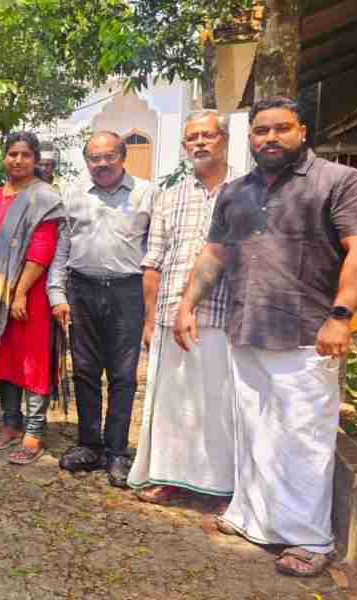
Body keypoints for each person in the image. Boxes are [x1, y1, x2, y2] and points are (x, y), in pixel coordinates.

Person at [176, 97, 357, 577]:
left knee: (304, 436)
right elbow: (215, 254)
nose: (270, 138)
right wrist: (186, 304)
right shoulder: (236, 192)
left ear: (302, 131)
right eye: (260, 131)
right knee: (254, 428)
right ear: (249, 137)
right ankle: (253, 518)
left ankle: (310, 539)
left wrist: (340, 316)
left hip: (306, 333)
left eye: (280, 129)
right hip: (246, 326)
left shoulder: (338, 181)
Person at [128, 111, 239, 505]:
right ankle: (168, 476)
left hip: (224, 318)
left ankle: (223, 488)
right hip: (169, 315)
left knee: (219, 406)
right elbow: (152, 262)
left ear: (224, 139)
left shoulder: (245, 192)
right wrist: (148, 319)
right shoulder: (169, 196)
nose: (200, 143)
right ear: (183, 145)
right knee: (172, 406)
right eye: (192, 137)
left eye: (208, 135)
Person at [47, 130, 157, 486]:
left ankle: (117, 453)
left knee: (123, 376)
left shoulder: (146, 193)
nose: (102, 163)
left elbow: (155, 252)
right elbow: (63, 247)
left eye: (109, 156)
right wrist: (57, 294)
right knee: (84, 372)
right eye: (95, 158)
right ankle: (89, 446)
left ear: (122, 157)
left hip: (127, 293)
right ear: (86, 161)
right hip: (82, 290)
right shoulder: (74, 194)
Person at [0, 131, 62, 465]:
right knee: (4, 354)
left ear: (36, 160)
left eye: (25, 154)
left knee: (33, 359)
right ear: (4, 158)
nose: (18, 160)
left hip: (29, 293)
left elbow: (42, 249)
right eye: (12, 154)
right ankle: (11, 423)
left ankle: (34, 431)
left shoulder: (44, 197)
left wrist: (20, 291)